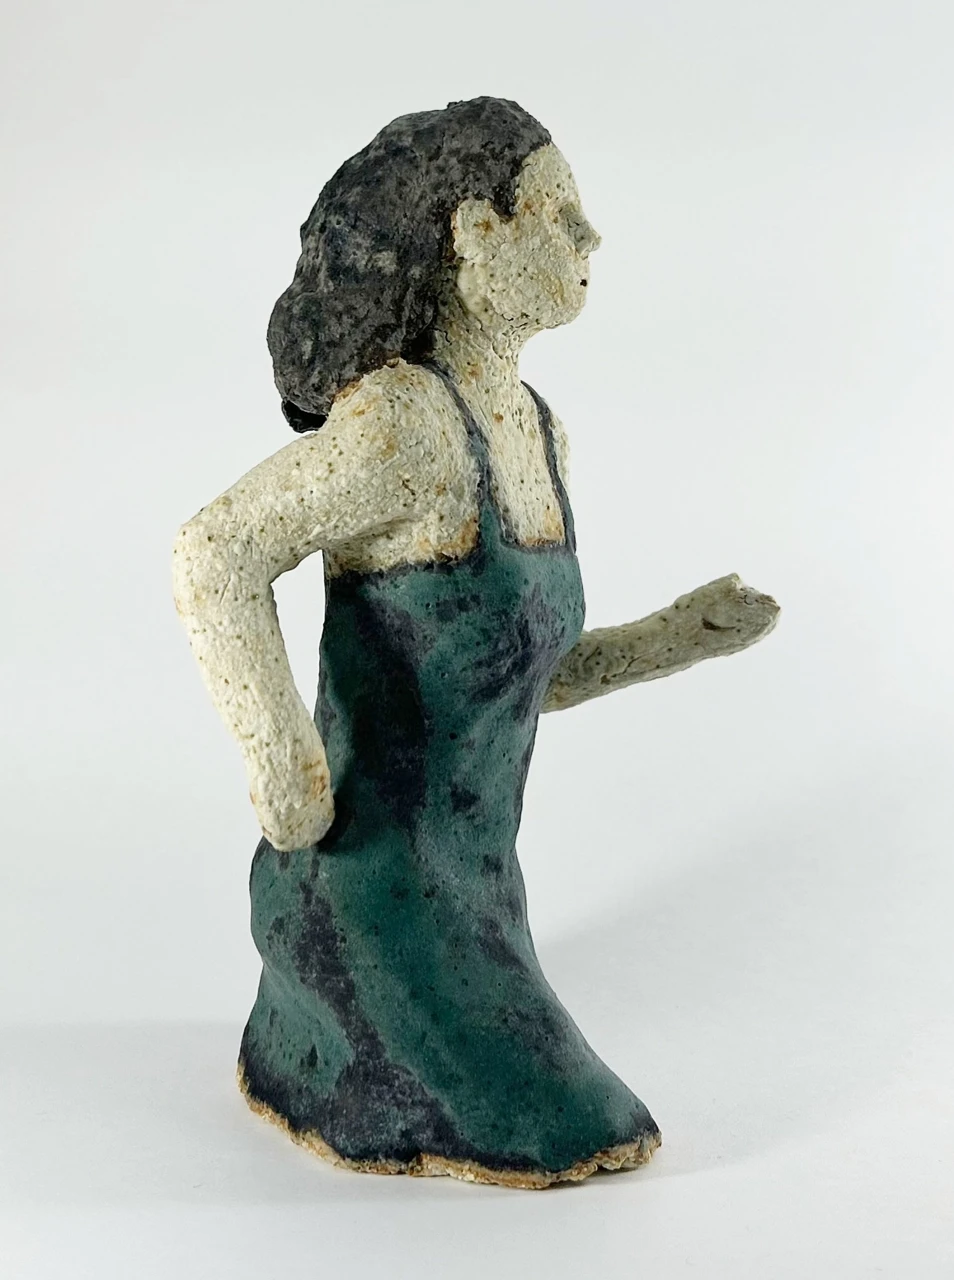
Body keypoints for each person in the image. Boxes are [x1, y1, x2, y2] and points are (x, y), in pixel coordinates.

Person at [173, 96, 779, 1188]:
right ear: (475, 235)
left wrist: (681, 635)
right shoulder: (405, 424)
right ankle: (329, 998)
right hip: (369, 888)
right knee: (580, 1129)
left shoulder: (538, 432)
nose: (591, 239)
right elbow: (214, 552)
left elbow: (525, 679)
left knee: (579, 1124)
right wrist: (287, 777)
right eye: (560, 215)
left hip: (482, 889)